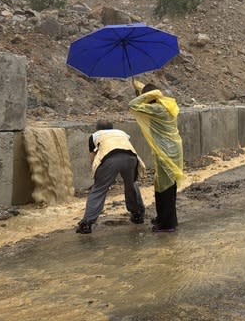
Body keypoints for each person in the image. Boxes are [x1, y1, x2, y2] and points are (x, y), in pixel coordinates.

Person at [129, 83, 185, 232]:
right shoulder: (167, 105)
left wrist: (141, 96)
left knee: (166, 188)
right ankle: (162, 217)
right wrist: (143, 94)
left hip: (166, 152)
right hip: (170, 149)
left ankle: (168, 224)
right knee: (161, 185)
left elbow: (133, 105)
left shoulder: (158, 109)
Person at [76, 120, 146, 234]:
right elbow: (125, 146)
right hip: (131, 158)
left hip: (109, 160)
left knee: (99, 189)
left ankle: (86, 223)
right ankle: (138, 214)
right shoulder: (121, 133)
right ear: (112, 128)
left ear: (98, 129)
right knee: (131, 185)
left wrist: (99, 175)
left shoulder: (94, 136)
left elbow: (93, 157)